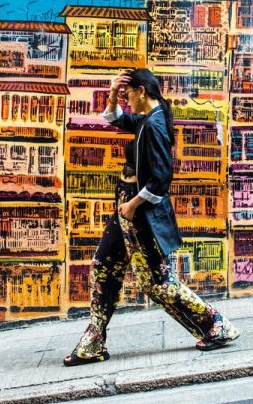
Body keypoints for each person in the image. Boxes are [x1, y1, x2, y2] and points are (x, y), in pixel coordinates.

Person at [64, 68, 240, 365]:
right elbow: (115, 119)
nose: (126, 100)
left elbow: (160, 178)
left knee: (157, 283)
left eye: (128, 94)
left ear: (142, 91)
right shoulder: (149, 117)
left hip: (139, 214)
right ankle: (92, 343)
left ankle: (216, 326)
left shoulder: (155, 125)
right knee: (103, 267)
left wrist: (132, 205)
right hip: (126, 210)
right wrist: (111, 95)